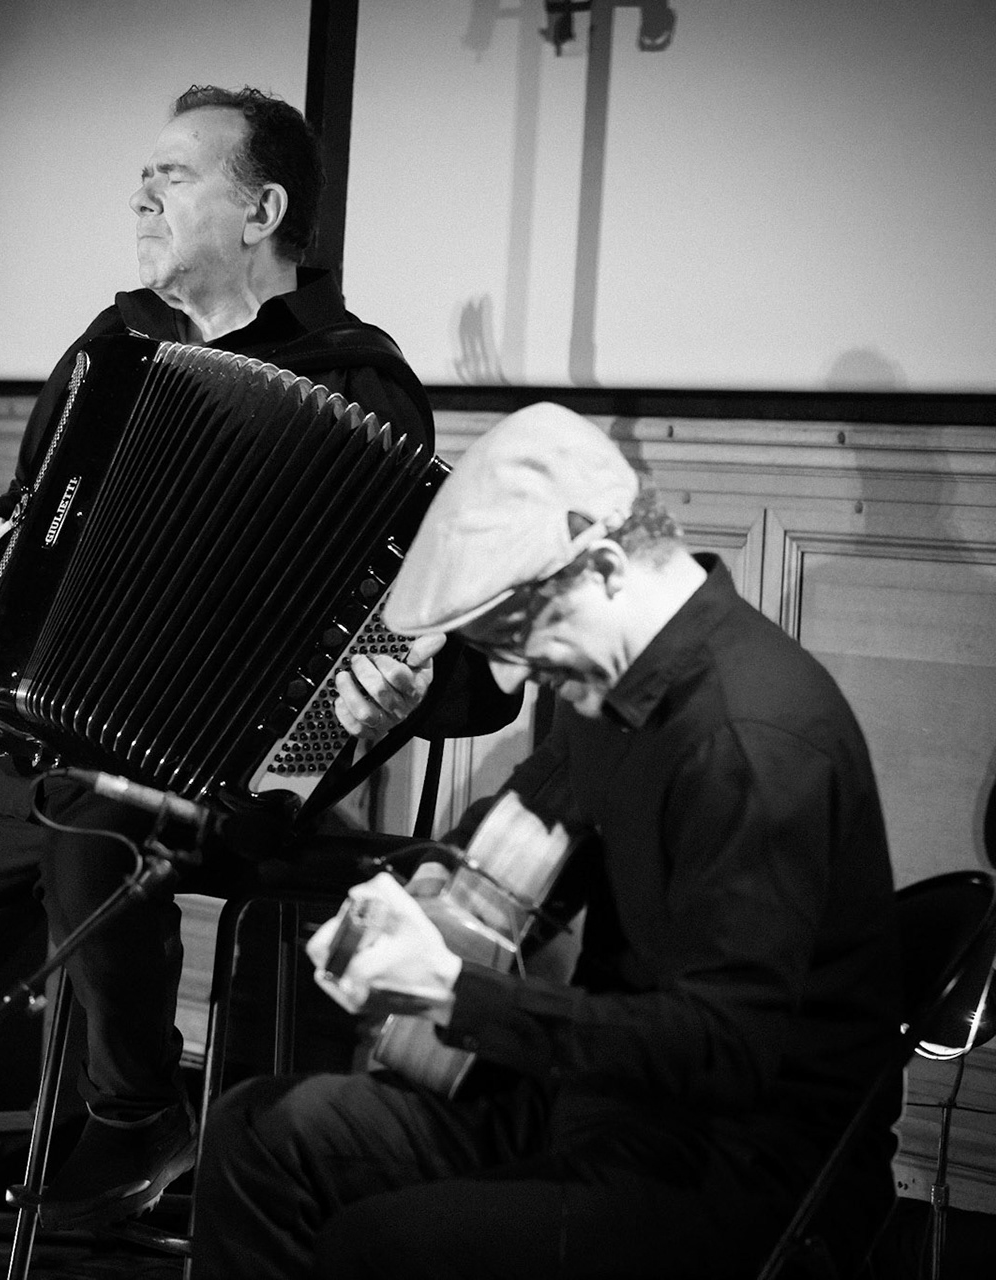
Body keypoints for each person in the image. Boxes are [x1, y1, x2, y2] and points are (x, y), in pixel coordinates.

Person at [0, 86, 519, 1278]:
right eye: (145, 173)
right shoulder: (117, 346)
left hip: (226, 789)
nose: (141, 192)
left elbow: (392, 631)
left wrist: (299, 745)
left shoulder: (355, 380)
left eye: (174, 175)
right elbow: (36, 528)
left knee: (93, 812)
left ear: (262, 210)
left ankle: (137, 1111)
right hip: (46, 751)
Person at [189, 402, 904, 1279]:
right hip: (599, 1105)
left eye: (515, 636)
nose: (508, 675)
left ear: (603, 565)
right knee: (262, 1135)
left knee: (380, 1247)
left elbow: (727, 1052)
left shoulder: (746, 741)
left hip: (736, 1169)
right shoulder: (608, 692)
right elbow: (496, 861)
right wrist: (400, 912)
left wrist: (456, 992)